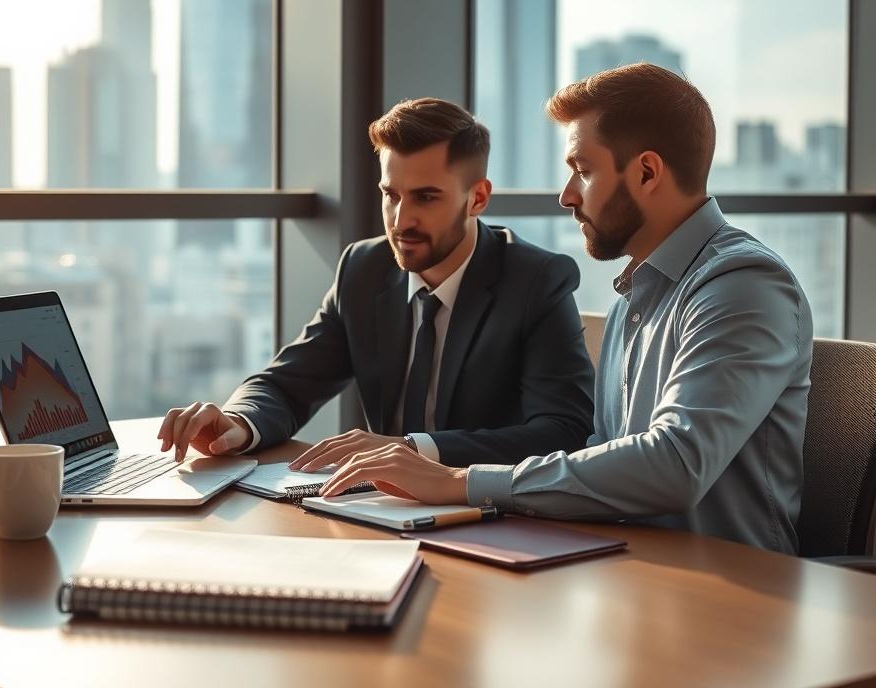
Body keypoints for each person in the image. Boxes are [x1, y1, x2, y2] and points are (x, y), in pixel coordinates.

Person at [318, 65, 814, 554]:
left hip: (733, 599)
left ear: (646, 172)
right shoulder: (635, 297)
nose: (567, 195)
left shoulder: (743, 285)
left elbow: (676, 463)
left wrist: (459, 480)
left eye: (583, 171)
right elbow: (598, 453)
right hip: (627, 573)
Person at [157, 97, 595, 468]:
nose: (401, 221)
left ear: (477, 197)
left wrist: (412, 452)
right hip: (382, 515)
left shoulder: (535, 282)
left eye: (425, 197)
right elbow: (288, 384)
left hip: (489, 517)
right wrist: (238, 423)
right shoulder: (364, 269)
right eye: (391, 195)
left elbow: (564, 431)